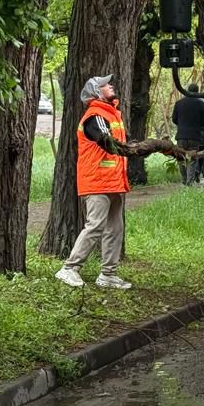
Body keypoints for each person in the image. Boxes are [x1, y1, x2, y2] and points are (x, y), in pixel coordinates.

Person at [56, 75, 131, 290]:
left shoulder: (112, 114)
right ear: (97, 92)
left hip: (113, 181)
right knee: (95, 226)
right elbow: (106, 140)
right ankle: (69, 268)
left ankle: (109, 274)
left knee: (114, 228)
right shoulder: (95, 115)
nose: (111, 86)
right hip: (98, 181)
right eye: (106, 85)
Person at [172, 86, 204, 185]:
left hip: (181, 136)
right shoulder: (201, 104)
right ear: (197, 92)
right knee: (192, 159)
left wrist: (182, 125)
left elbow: (174, 119)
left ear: (186, 91)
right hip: (195, 137)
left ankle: (184, 181)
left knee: (181, 158)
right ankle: (189, 183)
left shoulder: (178, 103)